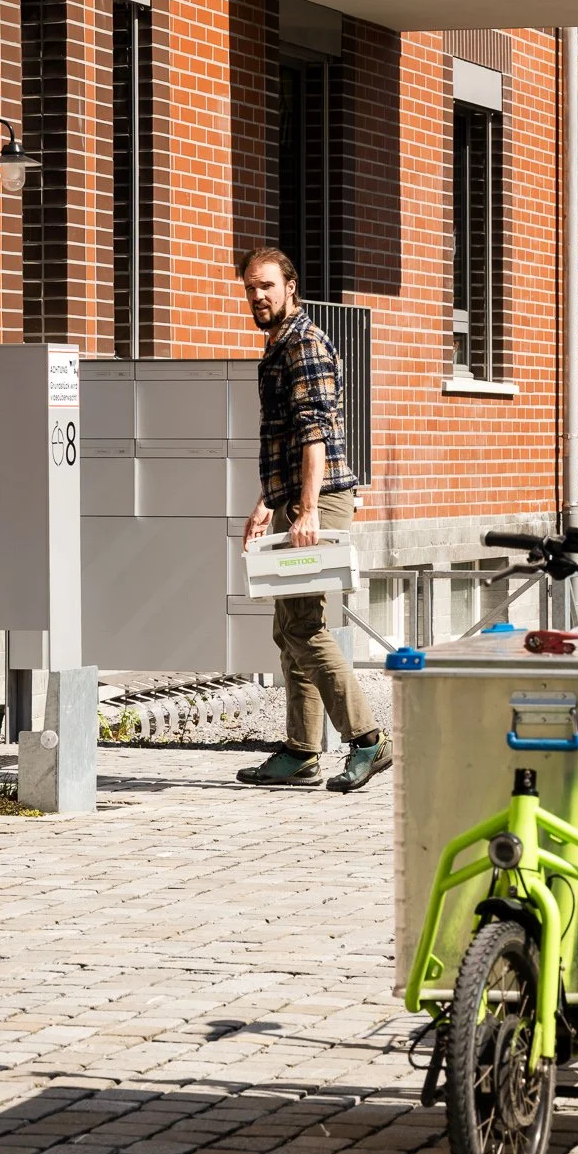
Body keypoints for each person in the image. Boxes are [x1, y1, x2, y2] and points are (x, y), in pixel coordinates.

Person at [235, 248, 391, 792]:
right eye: (251, 287)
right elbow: (283, 442)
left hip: (318, 501)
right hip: (294, 499)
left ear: (291, 286)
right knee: (289, 629)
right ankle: (301, 752)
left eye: (267, 286)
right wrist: (267, 503)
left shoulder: (304, 343)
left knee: (304, 627)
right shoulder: (278, 343)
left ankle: (368, 739)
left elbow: (314, 434)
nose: (258, 296)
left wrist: (304, 510)